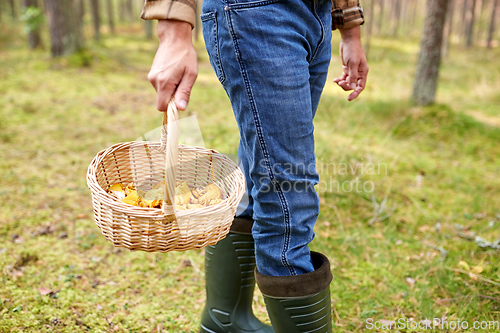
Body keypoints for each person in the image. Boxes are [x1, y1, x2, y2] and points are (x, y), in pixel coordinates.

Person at [141, 0, 368, 332]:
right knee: (289, 194)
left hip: (315, 16)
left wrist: (349, 27)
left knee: (262, 167)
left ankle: (225, 320)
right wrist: (174, 28)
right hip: (254, 12)